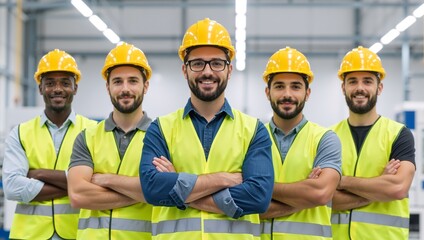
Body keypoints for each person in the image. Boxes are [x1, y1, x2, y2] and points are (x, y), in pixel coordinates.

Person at [140, 18, 274, 240]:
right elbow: (153, 188)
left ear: (229, 70)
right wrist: (224, 179)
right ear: (185, 70)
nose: (207, 71)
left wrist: (180, 189)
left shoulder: (254, 130)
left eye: (217, 63)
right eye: (198, 63)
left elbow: (258, 196)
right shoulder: (161, 128)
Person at [2, 49, 97, 239]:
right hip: (30, 235)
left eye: (65, 83)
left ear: (75, 88)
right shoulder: (20, 133)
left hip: (77, 234)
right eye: (50, 83)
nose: (57, 89)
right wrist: (77, 185)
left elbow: (100, 182)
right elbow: (12, 187)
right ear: (40, 88)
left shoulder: (94, 132)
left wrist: (39, 174)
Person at [67, 42, 153, 239]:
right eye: (117, 82)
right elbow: (78, 195)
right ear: (108, 87)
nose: (125, 89)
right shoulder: (87, 137)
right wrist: (139, 193)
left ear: (145, 85)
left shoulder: (161, 136)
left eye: (133, 81)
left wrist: (107, 179)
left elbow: (159, 191)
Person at [331, 46, 416, 240]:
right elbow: (324, 198)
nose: (360, 88)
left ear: (379, 87)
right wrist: (379, 186)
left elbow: (397, 188)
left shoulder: (398, 134)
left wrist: (342, 182)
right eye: (352, 81)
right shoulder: (328, 137)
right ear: (343, 87)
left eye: (367, 81)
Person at [259, 47, 342, 240]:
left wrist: (259, 187)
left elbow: (320, 193)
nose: (287, 94)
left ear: (307, 93)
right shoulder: (250, 137)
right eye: (279, 86)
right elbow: (242, 202)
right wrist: (304, 194)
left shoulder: (325, 139)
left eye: (296, 86)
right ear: (267, 92)